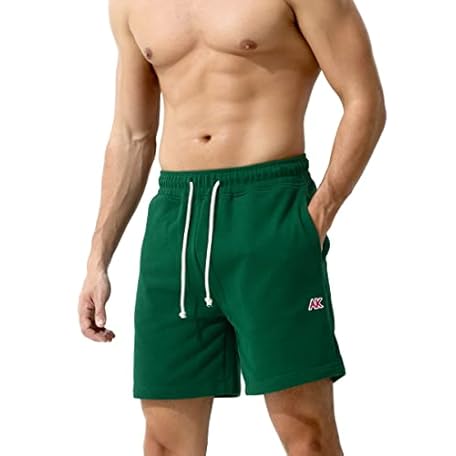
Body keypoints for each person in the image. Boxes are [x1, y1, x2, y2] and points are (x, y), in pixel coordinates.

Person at [78, 0, 386, 453]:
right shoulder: (130, 4)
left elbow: (364, 100)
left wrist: (318, 215)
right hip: (175, 223)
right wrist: (98, 258)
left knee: (307, 432)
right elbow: (131, 135)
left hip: (269, 209)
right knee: (164, 442)